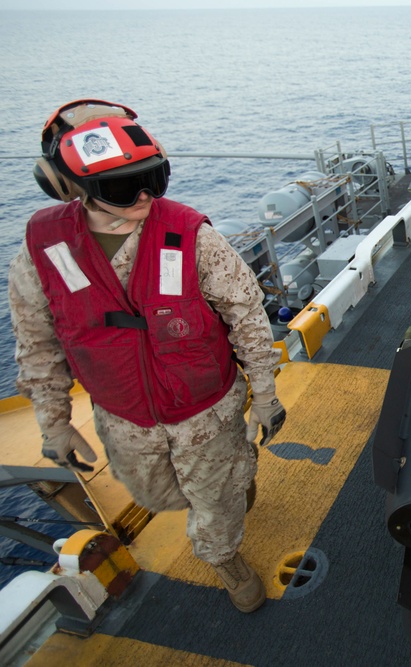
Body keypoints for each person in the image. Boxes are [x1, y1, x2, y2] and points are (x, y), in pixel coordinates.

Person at [9, 100, 286, 614]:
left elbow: (246, 315)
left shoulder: (189, 234)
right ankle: (231, 488)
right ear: (73, 186)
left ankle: (226, 560)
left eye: (152, 180)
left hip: (206, 409)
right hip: (125, 419)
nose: (142, 197)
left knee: (216, 502)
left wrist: (265, 396)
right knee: (159, 495)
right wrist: (54, 423)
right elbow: (38, 344)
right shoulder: (43, 247)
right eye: (121, 188)